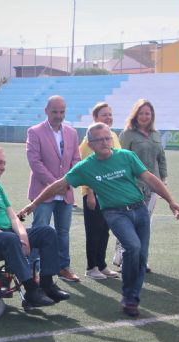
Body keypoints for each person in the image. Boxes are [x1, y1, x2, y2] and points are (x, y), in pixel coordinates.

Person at [19, 123, 179, 318]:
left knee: (140, 257)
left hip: (140, 210)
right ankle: (130, 297)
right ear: (90, 143)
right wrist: (33, 205)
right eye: (100, 140)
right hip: (115, 213)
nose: (106, 142)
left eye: (108, 138)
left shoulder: (126, 157)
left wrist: (171, 201)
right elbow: (58, 185)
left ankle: (131, 298)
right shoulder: (85, 167)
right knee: (133, 247)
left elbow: (149, 178)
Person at [0, 145, 70, 307]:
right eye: (0, 163)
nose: (3, 168)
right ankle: (31, 290)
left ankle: (46, 284)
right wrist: (6, 236)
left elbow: (13, 216)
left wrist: (23, 236)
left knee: (47, 232)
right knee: (10, 238)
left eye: (4, 163)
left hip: (5, 234)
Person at [26, 95, 81, 282]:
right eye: (55, 111)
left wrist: (65, 183)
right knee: (39, 230)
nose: (59, 115)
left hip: (65, 193)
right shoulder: (34, 132)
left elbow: (76, 160)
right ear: (46, 111)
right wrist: (54, 184)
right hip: (43, 193)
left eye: (62, 111)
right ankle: (32, 269)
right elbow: (35, 162)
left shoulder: (72, 133)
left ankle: (63, 267)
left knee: (63, 232)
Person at [116, 99, 167, 272]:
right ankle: (123, 258)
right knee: (129, 223)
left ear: (152, 115)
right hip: (133, 186)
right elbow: (120, 159)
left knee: (145, 224)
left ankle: (141, 261)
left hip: (153, 187)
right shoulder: (127, 134)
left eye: (148, 113)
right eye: (141, 113)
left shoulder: (156, 134)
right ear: (135, 115)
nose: (144, 116)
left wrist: (164, 178)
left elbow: (161, 157)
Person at [79, 102, 121, 280]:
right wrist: (90, 193)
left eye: (110, 114)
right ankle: (91, 267)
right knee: (94, 230)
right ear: (95, 118)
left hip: (110, 193)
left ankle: (102, 265)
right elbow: (86, 169)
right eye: (104, 115)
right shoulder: (90, 140)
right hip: (94, 192)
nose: (108, 117)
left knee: (105, 230)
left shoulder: (113, 135)